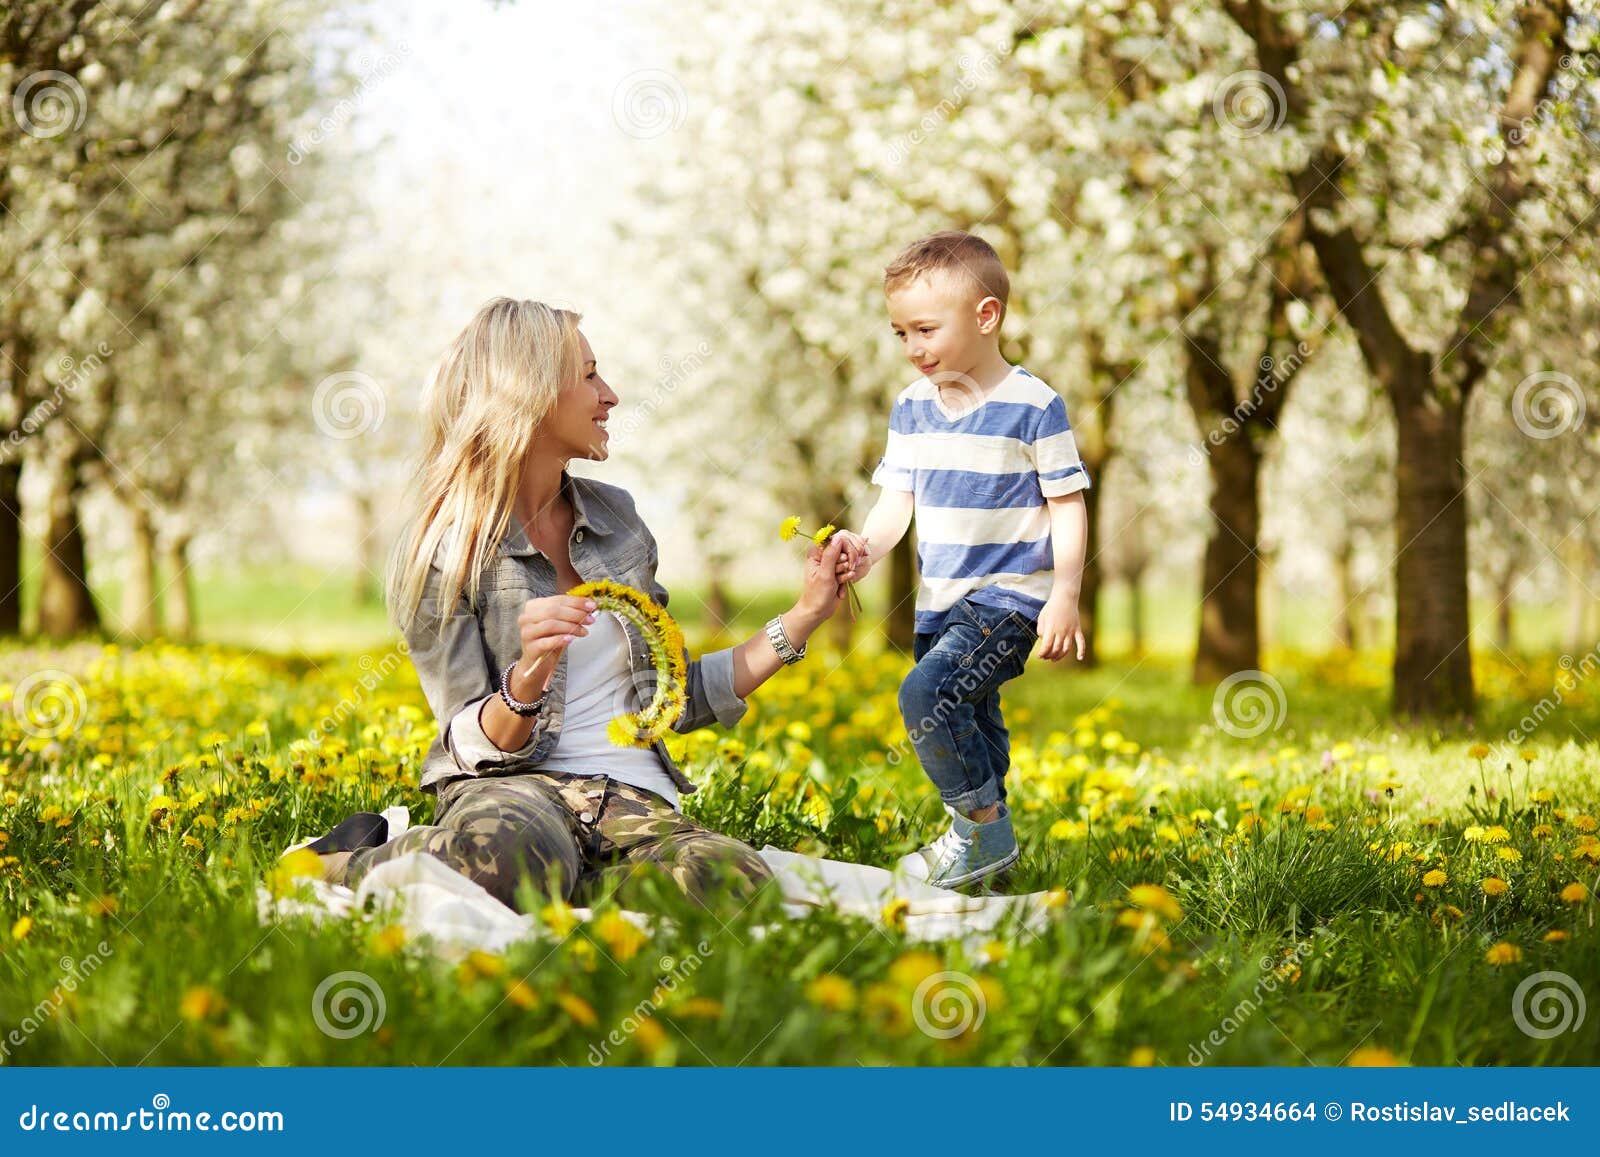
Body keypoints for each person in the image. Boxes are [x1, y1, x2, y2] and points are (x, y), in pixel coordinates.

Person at [313, 297, 846, 912]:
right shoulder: (447, 548)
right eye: (589, 374)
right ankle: (346, 862)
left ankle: (556, 884)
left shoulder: (619, 520)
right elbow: (470, 741)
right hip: (513, 792)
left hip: (632, 800)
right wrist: (529, 676)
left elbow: (672, 698)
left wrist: (804, 615)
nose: (611, 394)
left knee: (733, 886)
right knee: (497, 864)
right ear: (529, 393)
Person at [834, 231, 1091, 888]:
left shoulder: (1034, 405)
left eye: (925, 328)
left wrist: (1064, 592)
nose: (914, 348)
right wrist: (866, 547)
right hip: (940, 597)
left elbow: (1066, 503)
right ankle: (991, 855)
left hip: (1010, 595)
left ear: (986, 317)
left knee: (926, 693)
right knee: (971, 713)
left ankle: (979, 827)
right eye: (901, 334)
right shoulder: (913, 408)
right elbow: (898, 501)